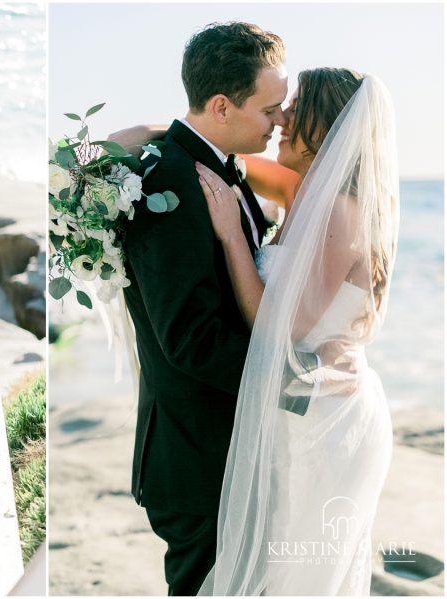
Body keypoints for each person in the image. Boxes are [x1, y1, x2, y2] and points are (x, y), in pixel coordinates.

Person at [196, 69, 398, 595]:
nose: (282, 118)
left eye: (296, 107)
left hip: (327, 419)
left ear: (328, 126)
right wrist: (147, 136)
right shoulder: (304, 189)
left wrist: (231, 238)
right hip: (302, 405)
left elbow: (278, 327)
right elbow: (226, 158)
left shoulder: (339, 211)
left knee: (294, 572)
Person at [113, 22, 287, 595]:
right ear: (221, 105)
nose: (279, 121)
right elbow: (189, 337)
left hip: (227, 445)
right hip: (197, 458)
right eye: (270, 108)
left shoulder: (215, 165)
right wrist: (286, 383)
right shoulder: (168, 177)